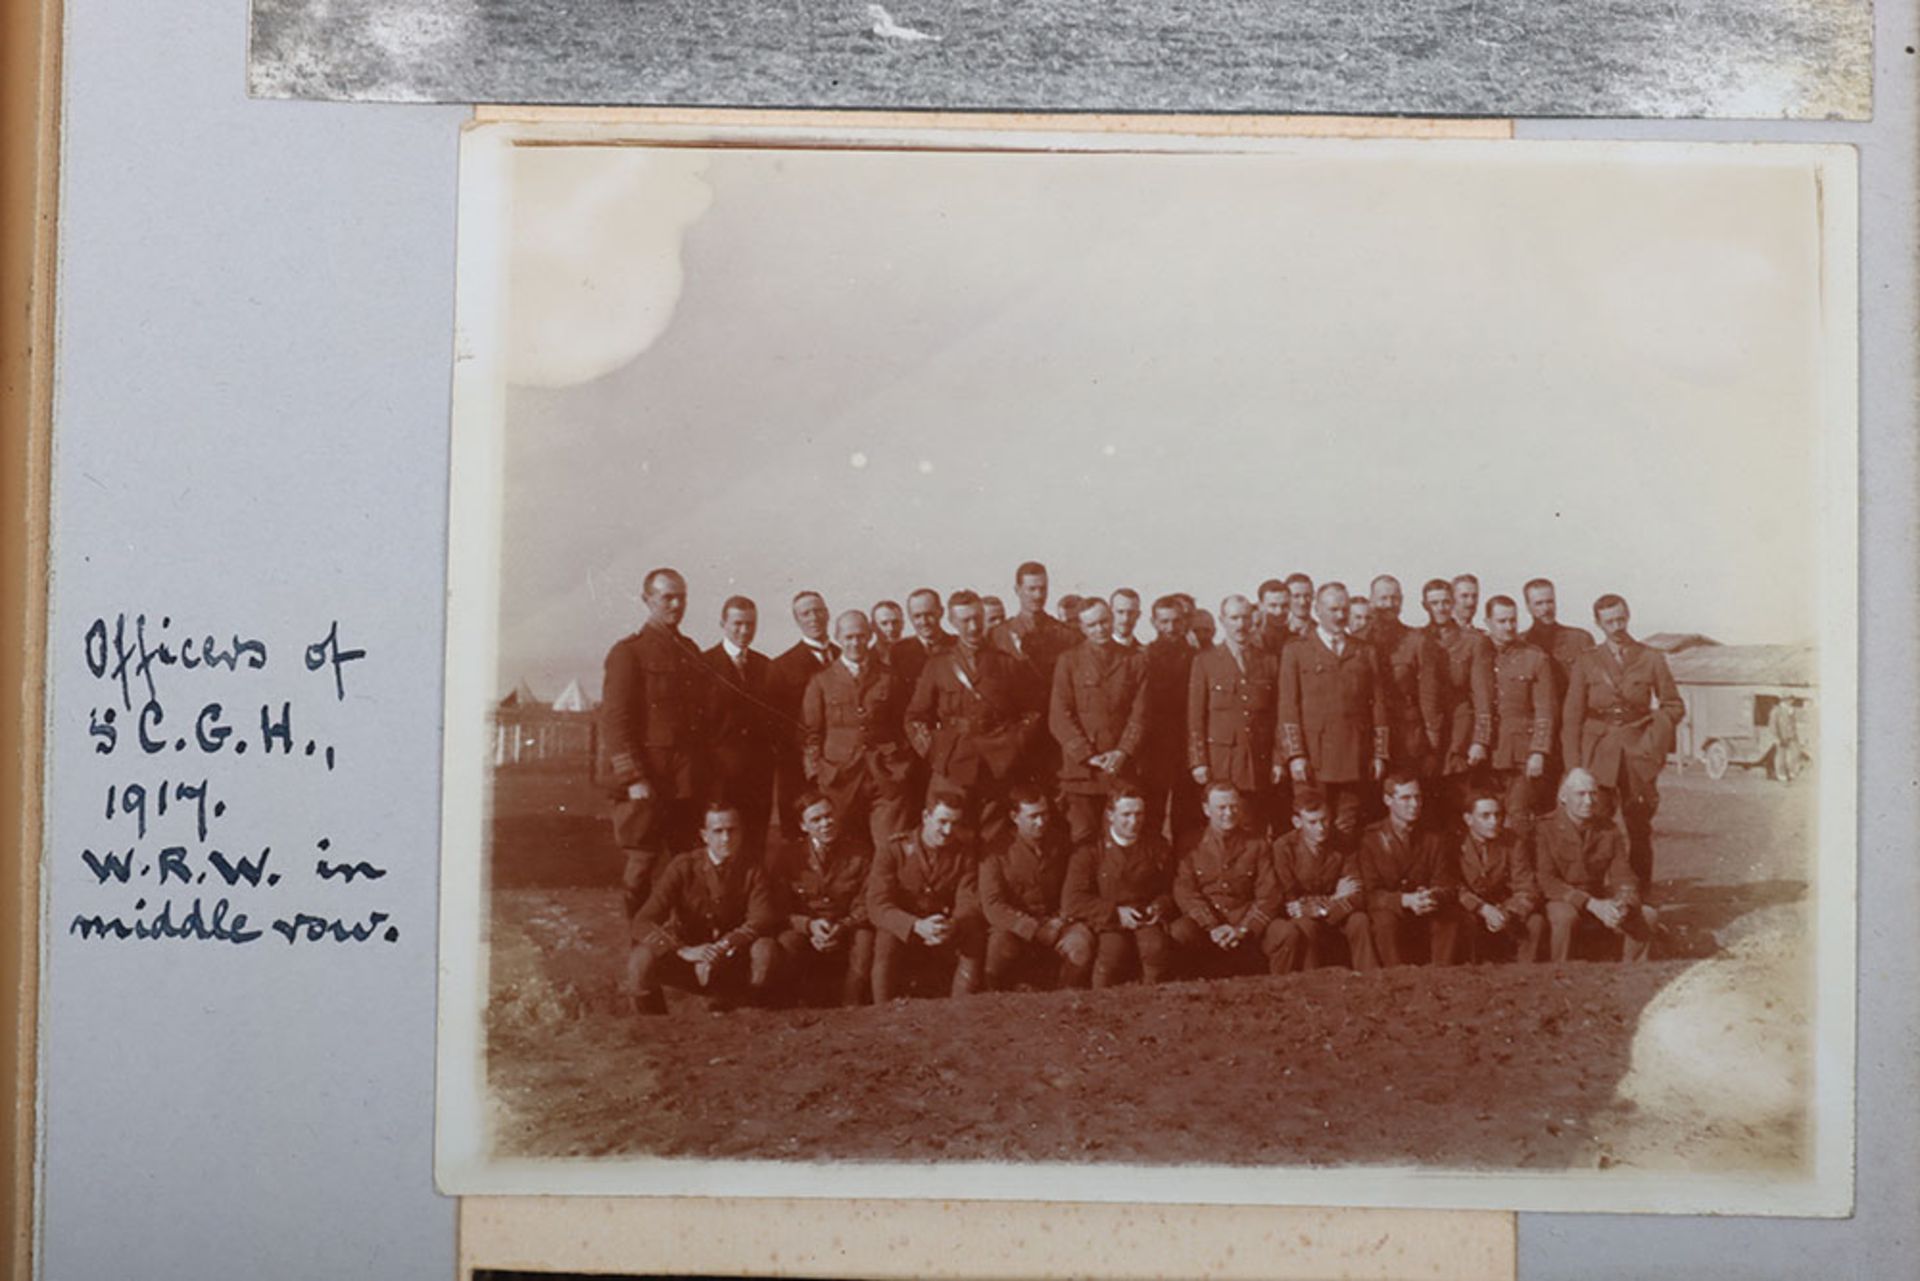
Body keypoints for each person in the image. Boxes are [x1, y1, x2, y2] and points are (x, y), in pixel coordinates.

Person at [600, 567, 708, 921]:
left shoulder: (690, 650)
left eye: (682, 596)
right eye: (667, 597)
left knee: (686, 864)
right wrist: (633, 778)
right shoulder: (628, 652)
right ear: (647, 600)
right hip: (647, 781)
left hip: (685, 782)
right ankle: (640, 943)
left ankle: (680, 947)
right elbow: (615, 721)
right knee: (641, 865)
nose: (676, 604)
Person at [1561, 594, 1685, 885]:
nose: (1617, 626)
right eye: (1609, 622)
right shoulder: (1587, 660)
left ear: (1628, 616)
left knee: (1639, 826)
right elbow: (1571, 718)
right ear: (1598, 624)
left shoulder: (1651, 657)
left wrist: (1652, 738)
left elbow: (1674, 706)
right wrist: (1574, 767)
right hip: (1598, 754)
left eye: (1621, 619)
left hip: (1637, 756)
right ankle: (1593, 894)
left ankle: (1640, 895)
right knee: (1594, 825)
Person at [905, 590, 1039, 849]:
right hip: (952, 764)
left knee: (994, 838)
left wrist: (1015, 744)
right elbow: (915, 717)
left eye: (978, 618)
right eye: (965, 620)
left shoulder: (1006, 663)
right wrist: (933, 751)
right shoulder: (939, 665)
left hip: (997, 764)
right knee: (949, 836)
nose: (974, 626)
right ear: (952, 622)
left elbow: (1033, 711)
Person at [625, 801, 784, 1014]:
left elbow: (762, 918)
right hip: (689, 956)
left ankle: (752, 1014)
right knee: (641, 958)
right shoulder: (683, 867)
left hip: (732, 958)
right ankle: (652, 1024)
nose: (726, 838)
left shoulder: (753, 868)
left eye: (732, 830)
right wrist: (683, 950)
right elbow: (642, 921)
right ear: (704, 835)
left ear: (741, 832)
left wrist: (724, 945)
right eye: (718, 831)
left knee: (765, 948)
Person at [1280, 582, 1390, 842]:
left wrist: (1379, 753)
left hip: (1354, 756)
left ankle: (1346, 881)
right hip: (1313, 759)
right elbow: (1287, 707)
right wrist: (1295, 754)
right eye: (1332, 610)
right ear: (1317, 610)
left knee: (1346, 825)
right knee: (1313, 825)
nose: (1340, 616)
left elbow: (1378, 705)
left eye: (1344, 609)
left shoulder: (1364, 651)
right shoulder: (1297, 649)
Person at [802, 611, 913, 850]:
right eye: (849, 637)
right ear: (838, 637)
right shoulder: (821, 680)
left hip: (884, 776)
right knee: (844, 848)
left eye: (861, 637)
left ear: (871, 636)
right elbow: (810, 733)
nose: (855, 643)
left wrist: (900, 766)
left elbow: (905, 724)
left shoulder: (888, 677)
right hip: (838, 779)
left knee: (889, 847)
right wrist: (817, 773)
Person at [866, 788, 987, 1000]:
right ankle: (882, 1010)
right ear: (926, 816)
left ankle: (963, 1006)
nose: (948, 830)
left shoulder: (963, 852)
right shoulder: (893, 849)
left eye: (955, 823)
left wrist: (953, 924)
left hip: (943, 929)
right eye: (942, 821)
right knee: (887, 936)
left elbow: (968, 899)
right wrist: (916, 925)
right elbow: (877, 905)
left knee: (973, 932)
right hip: (907, 930)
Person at [1049, 597, 1149, 846]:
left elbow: (1141, 713)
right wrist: (1087, 755)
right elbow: (1059, 714)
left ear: (1112, 620)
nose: (1100, 629)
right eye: (1092, 625)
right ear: (1082, 628)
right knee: (1083, 842)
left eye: (1104, 622)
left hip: (1120, 771)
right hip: (1082, 774)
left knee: (1121, 841)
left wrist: (1123, 751)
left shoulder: (1134, 661)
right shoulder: (1069, 661)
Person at [1187, 594, 1287, 832]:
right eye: (1234, 618)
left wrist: (1278, 759)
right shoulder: (1205, 661)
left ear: (1253, 619)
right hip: (1221, 762)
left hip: (1259, 762)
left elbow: (1278, 717)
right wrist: (1198, 761)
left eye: (1245, 618)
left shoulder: (1269, 661)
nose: (1240, 625)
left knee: (1257, 827)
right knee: (1223, 826)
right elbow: (1195, 718)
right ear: (1223, 621)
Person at [1062, 787, 1180, 987]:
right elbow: (1073, 900)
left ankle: (1155, 1000)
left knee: (1155, 948)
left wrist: (1159, 907)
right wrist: (1115, 913)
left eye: (1138, 814)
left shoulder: (1157, 846)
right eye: (1126, 815)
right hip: (1108, 922)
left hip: (1145, 919)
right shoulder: (1090, 850)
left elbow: (1171, 888)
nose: (1134, 822)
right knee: (1112, 953)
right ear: (1110, 815)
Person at [979, 787, 1093, 990]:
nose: (1041, 822)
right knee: (1000, 947)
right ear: (1015, 816)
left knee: (1080, 946)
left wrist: (1060, 920)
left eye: (1044, 814)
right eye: (1033, 816)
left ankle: (1064, 999)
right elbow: (992, 904)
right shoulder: (996, 851)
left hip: (1057, 922)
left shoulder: (1061, 843)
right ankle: (997, 1000)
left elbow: (1075, 888)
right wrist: (1032, 928)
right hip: (1017, 926)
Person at [1534, 769, 1652, 962]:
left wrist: (1622, 903)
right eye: (1580, 794)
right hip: (1561, 898)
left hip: (1598, 897)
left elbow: (1623, 876)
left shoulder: (1608, 829)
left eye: (1593, 793)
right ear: (1563, 797)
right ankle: (1559, 971)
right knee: (1564, 916)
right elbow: (1547, 881)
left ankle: (1631, 975)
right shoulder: (1545, 828)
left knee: (1647, 915)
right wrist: (1590, 903)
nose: (1588, 801)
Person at [771, 791, 875, 1007]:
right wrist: (808, 925)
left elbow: (867, 901)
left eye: (829, 816)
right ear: (803, 825)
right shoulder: (788, 856)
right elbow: (778, 907)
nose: (825, 824)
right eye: (816, 820)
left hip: (846, 928)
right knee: (786, 942)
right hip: (807, 931)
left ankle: (852, 1002)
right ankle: (796, 1002)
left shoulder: (860, 853)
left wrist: (844, 925)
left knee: (865, 938)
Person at [1261, 789, 1378, 972]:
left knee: (1359, 920)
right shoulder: (1284, 848)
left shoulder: (1342, 842)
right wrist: (1334, 898)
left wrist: (1322, 908)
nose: (1321, 828)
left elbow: (1357, 893)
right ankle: (1313, 983)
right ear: (1297, 822)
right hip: (1306, 917)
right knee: (1305, 925)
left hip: (1332, 913)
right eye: (1312, 822)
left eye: (1324, 820)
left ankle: (1370, 978)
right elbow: (1291, 903)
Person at [1171, 782, 1280, 975]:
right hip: (1206, 930)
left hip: (1244, 929)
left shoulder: (1257, 844)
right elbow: (1185, 893)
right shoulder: (1190, 843)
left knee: (1285, 933)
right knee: (1180, 931)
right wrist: (1213, 926)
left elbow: (1269, 895)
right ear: (1206, 809)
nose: (1228, 813)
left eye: (1233, 806)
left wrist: (1243, 929)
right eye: (1221, 808)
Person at [702, 595, 779, 858]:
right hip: (718, 776)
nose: (744, 631)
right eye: (737, 624)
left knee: (754, 842)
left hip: (758, 777)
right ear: (722, 623)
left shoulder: (766, 666)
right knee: (721, 843)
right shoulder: (703, 664)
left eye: (750, 624)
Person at [1357, 774, 1462, 966]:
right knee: (1384, 922)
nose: (1414, 804)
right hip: (1392, 909)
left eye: (1418, 797)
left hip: (1424, 908)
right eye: (1405, 798)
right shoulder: (1370, 840)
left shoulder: (1433, 837)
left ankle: (1442, 976)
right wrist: (1404, 900)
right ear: (1388, 800)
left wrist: (1432, 896)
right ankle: (1394, 979)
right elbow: (1368, 894)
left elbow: (1445, 882)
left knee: (1449, 917)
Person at [991, 561, 1079, 785]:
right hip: (1015, 735)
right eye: (1031, 589)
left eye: (1043, 588)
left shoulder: (1066, 635)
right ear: (1017, 590)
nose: (1038, 595)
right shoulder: (998, 636)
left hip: (1053, 735)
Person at [769, 590, 841, 840]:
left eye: (819, 611)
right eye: (806, 613)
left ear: (828, 613)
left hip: (843, 766)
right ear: (796, 619)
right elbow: (778, 727)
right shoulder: (781, 666)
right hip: (801, 769)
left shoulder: (846, 656)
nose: (814, 618)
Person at [1482, 595, 1556, 834]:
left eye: (1512, 620)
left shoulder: (1535, 657)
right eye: (1501, 621)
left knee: (1518, 816)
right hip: (1487, 752)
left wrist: (1538, 751)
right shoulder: (1480, 653)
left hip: (1521, 754)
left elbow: (1545, 708)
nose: (1509, 627)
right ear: (1488, 622)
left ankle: (1522, 871)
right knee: (1487, 816)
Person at [1366, 574, 1445, 791]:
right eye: (1383, 599)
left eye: (1394, 599)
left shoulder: (1417, 640)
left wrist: (1432, 741)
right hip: (1367, 734)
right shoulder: (1358, 640)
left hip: (1406, 735)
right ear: (1371, 601)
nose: (1389, 605)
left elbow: (1429, 694)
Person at [1425, 577, 1492, 820]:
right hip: (1428, 736)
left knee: (1458, 803)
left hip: (1459, 735)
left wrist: (1480, 740)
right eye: (1434, 603)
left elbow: (1482, 695)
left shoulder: (1474, 642)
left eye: (1445, 602)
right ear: (1425, 606)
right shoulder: (1419, 639)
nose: (1440, 608)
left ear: (1452, 603)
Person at [1455, 790, 1546, 963]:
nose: (1494, 821)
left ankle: (1525, 975)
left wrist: (1506, 912)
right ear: (1468, 819)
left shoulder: (1513, 842)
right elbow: (1453, 885)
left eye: (1498, 815)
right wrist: (1481, 908)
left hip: (1504, 911)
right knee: (1463, 922)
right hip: (1471, 911)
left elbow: (1526, 887)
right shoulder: (1455, 844)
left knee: (1535, 922)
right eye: (1485, 816)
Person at [1141, 595, 1201, 848]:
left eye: (1176, 621)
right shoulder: (1144, 657)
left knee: (1187, 814)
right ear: (1153, 622)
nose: (1170, 628)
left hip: (1186, 744)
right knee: (1152, 813)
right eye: (1164, 622)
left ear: (1185, 622)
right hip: (1154, 747)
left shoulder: (1197, 657)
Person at [1519, 577, 1595, 696]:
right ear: (1528, 607)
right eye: (1539, 603)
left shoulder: (1579, 639)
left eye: (1550, 602)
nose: (1546, 608)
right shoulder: (1520, 644)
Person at [1253, 578, 1293, 658]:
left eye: (1284, 606)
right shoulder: (1251, 644)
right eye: (1273, 606)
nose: (1279, 612)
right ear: (1260, 606)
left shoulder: (1296, 642)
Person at [1768, 696, 1802, 783]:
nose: (1792, 701)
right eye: (1790, 699)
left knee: (1795, 754)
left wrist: (1795, 734)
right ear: (1785, 700)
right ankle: (1781, 774)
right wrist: (1776, 737)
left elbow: (1793, 724)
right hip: (1781, 736)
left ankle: (1792, 772)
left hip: (1792, 736)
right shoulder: (1776, 710)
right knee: (1781, 756)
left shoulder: (1791, 710)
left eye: (1792, 699)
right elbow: (1772, 725)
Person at [869, 599, 906, 664]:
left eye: (895, 622)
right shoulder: (866, 660)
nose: (891, 628)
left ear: (902, 624)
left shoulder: (915, 655)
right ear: (873, 626)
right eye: (884, 623)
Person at [1283, 572, 1315, 641]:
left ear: (1313, 597)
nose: (1302, 602)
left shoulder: (1322, 632)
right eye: (1296, 596)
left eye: (1307, 596)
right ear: (1287, 598)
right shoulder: (1279, 633)